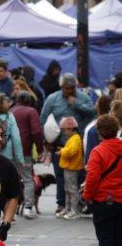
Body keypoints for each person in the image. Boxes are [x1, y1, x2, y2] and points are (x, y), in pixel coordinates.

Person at [40, 73, 96, 216]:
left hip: (78, 146)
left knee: (80, 176)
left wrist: (76, 103)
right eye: (67, 88)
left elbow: (93, 113)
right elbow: (43, 118)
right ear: (61, 87)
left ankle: (80, 204)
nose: (70, 91)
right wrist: (46, 139)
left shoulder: (82, 97)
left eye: (72, 88)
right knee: (60, 176)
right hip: (58, 145)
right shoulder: (53, 99)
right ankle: (62, 203)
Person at [83, 114, 122, 246]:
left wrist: (87, 196)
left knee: (105, 237)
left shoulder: (98, 151)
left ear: (100, 132)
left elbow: (92, 178)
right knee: (120, 237)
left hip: (104, 199)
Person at [10, 91, 44, 219]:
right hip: (24, 150)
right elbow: (36, 131)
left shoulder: (10, 111)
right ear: (29, 101)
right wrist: (40, 149)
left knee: (9, 179)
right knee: (28, 179)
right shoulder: (31, 111)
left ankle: (8, 209)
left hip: (7, 151)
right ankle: (28, 207)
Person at [57, 117, 84, 220]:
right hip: (70, 167)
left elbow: (71, 151)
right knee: (68, 189)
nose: (64, 132)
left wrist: (62, 151)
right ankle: (69, 209)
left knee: (72, 190)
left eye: (65, 130)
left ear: (71, 128)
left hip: (72, 167)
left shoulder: (75, 138)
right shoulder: (74, 138)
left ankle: (74, 210)